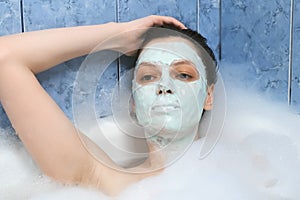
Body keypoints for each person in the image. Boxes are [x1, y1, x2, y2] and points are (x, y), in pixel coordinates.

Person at [0, 15, 217, 196]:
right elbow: (4, 57)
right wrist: (115, 35)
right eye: (149, 77)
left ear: (209, 97)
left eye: (184, 74)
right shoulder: (102, 181)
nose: (164, 87)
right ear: (134, 104)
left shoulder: (244, 168)